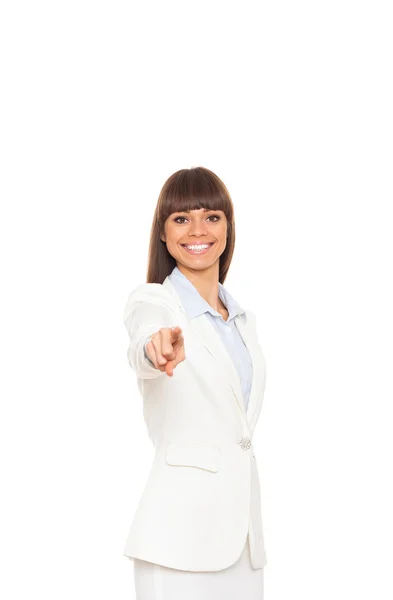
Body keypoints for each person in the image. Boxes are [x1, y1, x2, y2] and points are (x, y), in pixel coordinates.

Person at [123, 166, 268, 600]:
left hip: (242, 541)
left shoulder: (242, 320)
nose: (198, 230)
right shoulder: (155, 301)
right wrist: (156, 348)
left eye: (212, 217)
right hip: (177, 540)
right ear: (163, 234)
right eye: (181, 219)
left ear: (228, 227)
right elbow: (144, 341)